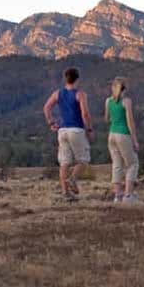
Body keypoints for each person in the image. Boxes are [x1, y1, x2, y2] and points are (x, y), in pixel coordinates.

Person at [42, 67, 94, 201]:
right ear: (77, 79)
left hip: (62, 130)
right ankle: (73, 179)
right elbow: (85, 114)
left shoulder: (58, 93)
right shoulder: (80, 94)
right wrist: (89, 130)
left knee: (64, 163)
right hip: (76, 130)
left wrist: (51, 122)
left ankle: (66, 193)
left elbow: (47, 107)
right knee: (83, 160)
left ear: (66, 79)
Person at [104, 77, 139, 204]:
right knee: (132, 164)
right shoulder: (126, 102)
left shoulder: (108, 101)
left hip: (112, 135)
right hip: (123, 135)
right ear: (125, 88)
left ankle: (117, 196)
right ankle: (128, 195)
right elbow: (130, 123)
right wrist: (135, 140)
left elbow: (107, 119)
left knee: (117, 164)